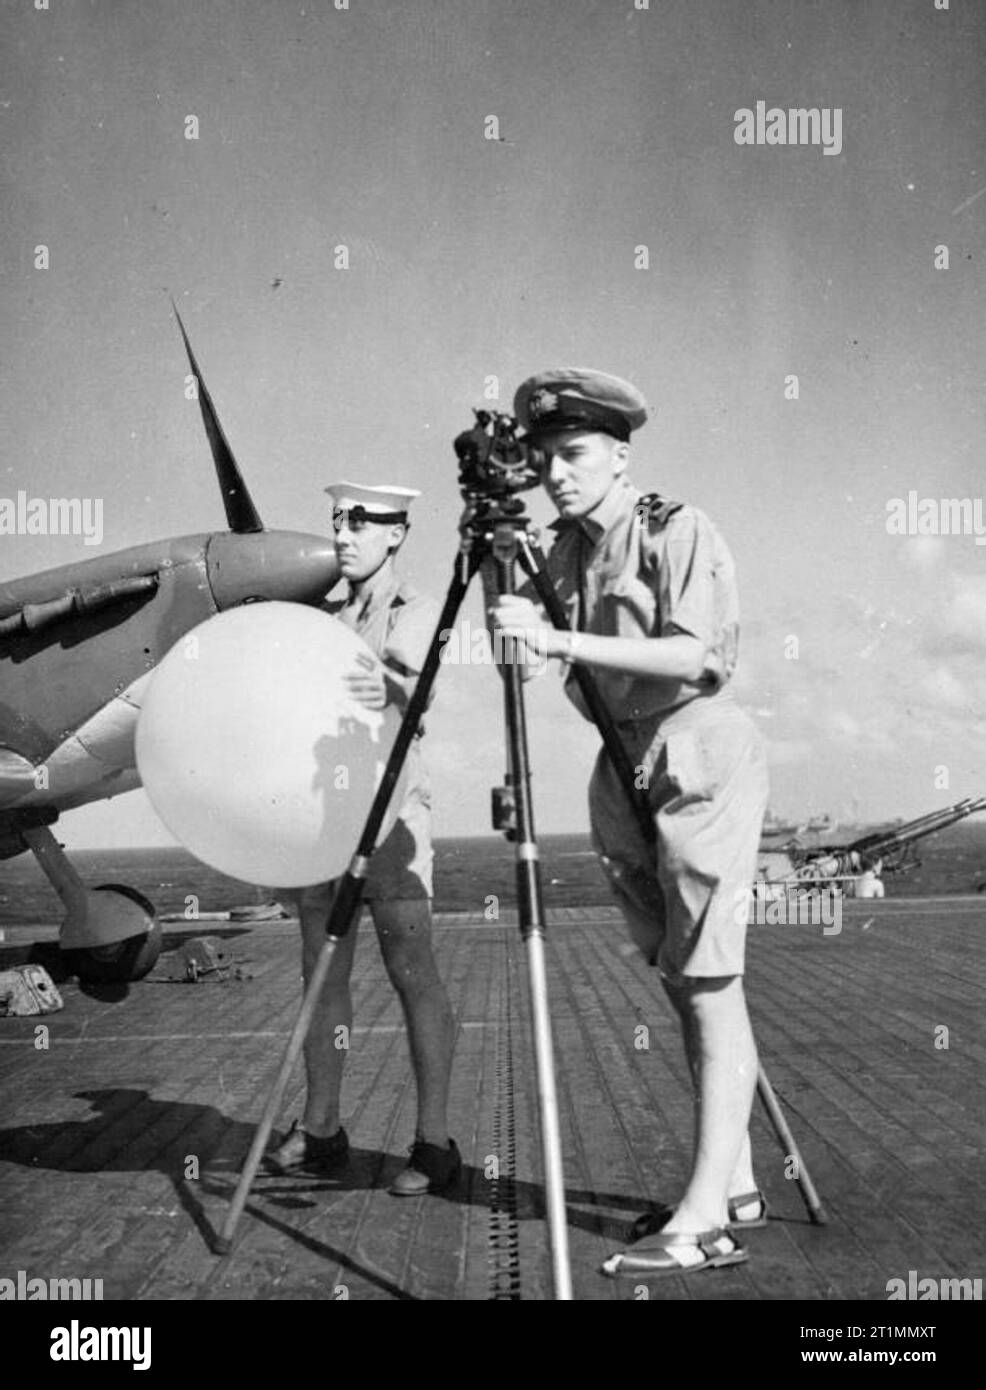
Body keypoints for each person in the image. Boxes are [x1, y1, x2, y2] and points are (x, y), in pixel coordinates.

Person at [488, 370, 769, 1275]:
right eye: (542, 460)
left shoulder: (673, 527)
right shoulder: (561, 552)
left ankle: (701, 1221)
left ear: (619, 453)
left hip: (695, 751)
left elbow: (696, 656)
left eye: (572, 455)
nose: (556, 474)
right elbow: (525, 668)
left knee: (710, 978)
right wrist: (513, 599)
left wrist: (563, 638)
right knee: (684, 979)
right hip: (621, 762)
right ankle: (737, 1178)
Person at [267, 482, 460, 1196]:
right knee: (321, 977)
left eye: (361, 521)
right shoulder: (320, 613)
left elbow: (406, 688)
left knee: (412, 972)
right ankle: (321, 1132)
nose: (343, 533)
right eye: (338, 520)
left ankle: (435, 1143)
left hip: (391, 818)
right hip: (322, 819)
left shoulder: (414, 608)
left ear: (397, 533)